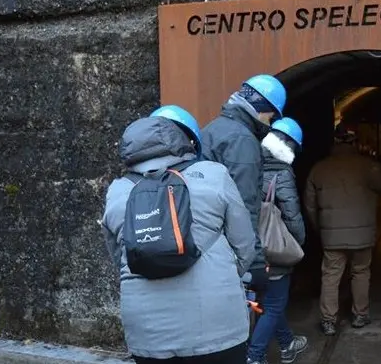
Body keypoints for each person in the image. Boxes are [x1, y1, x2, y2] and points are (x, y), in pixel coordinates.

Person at [100, 105, 258, 363]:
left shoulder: (117, 193)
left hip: (147, 332)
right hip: (217, 324)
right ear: (187, 142)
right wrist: (229, 273)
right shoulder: (214, 175)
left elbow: (119, 257)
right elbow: (245, 244)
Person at [304, 124, 381, 336]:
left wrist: (321, 229)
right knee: (360, 272)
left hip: (332, 236)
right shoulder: (368, 167)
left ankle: (328, 321)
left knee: (331, 276)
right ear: (354, 141)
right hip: (362, 236)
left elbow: (310, 205)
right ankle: (360, 315)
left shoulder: (318, 169)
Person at [201, 74, 287, 297]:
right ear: (261, 107)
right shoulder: (242, 141)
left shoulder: (213, 128)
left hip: (206, 241)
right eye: (272, 115)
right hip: (228, 249)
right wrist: (256, 263)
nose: (271, 121)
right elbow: (243, 205)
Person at [248, 117, 308, 364]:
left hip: (249, 245)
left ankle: (287, 343)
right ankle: (254, 356)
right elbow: (292, 214)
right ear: (290, 146)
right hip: (274, 248)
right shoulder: (281, 174)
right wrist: (299, 243)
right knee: (273, 305)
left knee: (269, 301)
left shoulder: (250, 163)